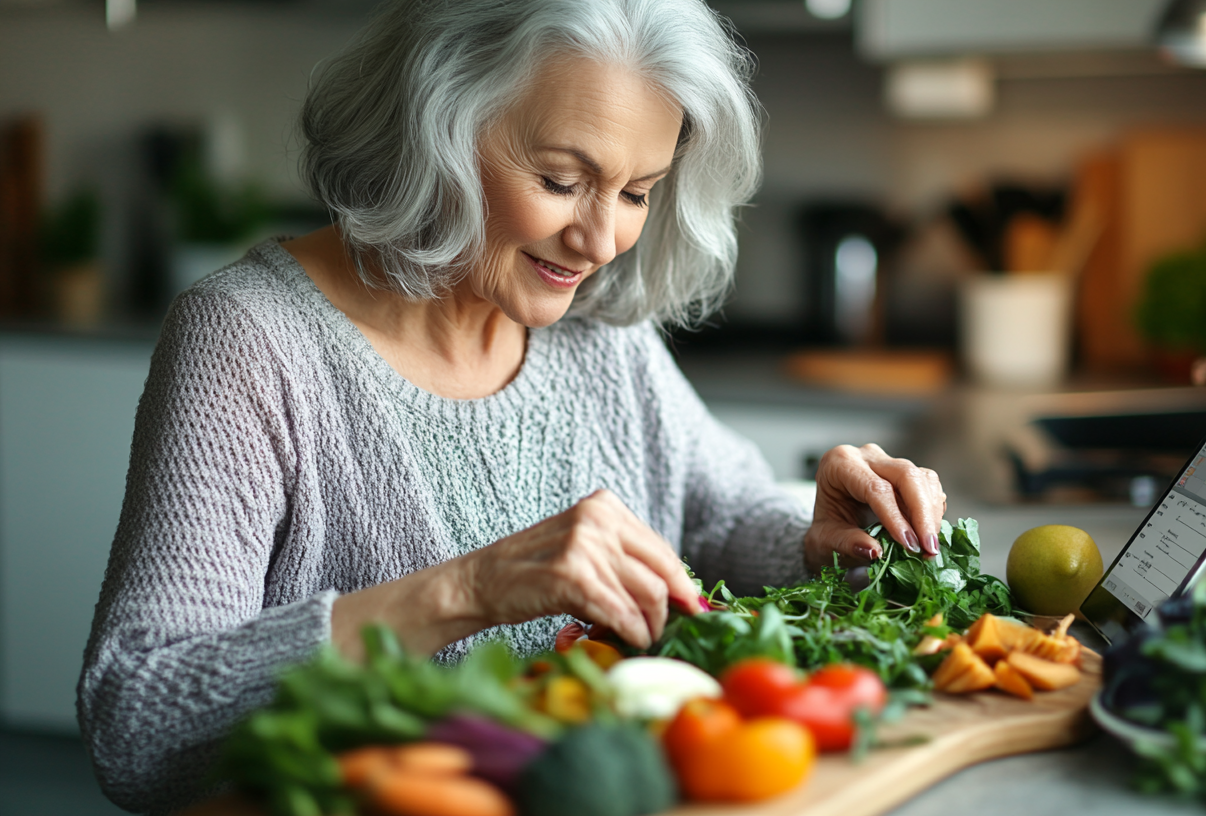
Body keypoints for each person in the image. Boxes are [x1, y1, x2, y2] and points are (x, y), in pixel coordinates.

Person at [77, 0, 946, 811]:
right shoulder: (253, 339)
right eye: (562, 180)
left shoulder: (596, 331)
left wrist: (820, 532)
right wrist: (468, 590)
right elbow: (139, 722)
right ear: (434, 130)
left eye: (638, 192)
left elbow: (720, 515)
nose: (601, 240)